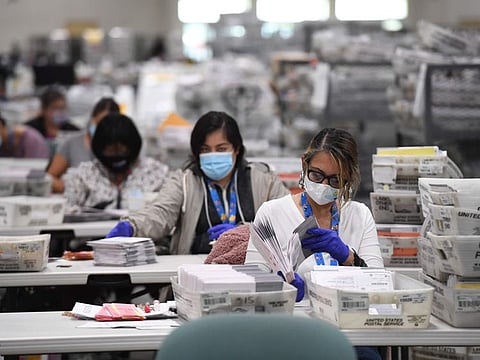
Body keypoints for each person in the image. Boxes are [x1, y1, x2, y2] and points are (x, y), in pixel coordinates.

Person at [245, 128, 383, 360]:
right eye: (317, 175)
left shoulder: (359, 215)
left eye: (335, 180)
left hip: (350, 332)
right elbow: (250, 284)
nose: (324, 185)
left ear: (348, 178)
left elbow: (380, 285)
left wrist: (349, 258)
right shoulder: (272, 212)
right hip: (289, 331)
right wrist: (282, 289)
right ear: (304, 164)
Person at [106, 110, 290, 255]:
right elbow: (160, 213)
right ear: (196, 153)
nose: (213, 155)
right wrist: (132, 226)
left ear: (237, 150)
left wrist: (245, 232)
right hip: (195, 270)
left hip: (254, 267)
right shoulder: (184, 182)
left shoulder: (264, 180)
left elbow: (287, 220)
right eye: (205, 149)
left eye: (221, 149)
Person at [63, 113, 169, 210]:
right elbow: (68, 210)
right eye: (111, 151)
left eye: (122, 151)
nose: (117, 156)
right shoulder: (82, 175)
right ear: (100, 149)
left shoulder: (156, 173)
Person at [47, 97, 120, 193]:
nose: (101, 129)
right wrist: (71, 188)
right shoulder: (72, 143)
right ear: (92, 119)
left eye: (107, 126)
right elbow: (49, 178)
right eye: (99, 123)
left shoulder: (119, 148)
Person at [25, 87, 79, 157]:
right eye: (55, 108)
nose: (60, 112)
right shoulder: (30, 129)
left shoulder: (73, 130)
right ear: (44, 110)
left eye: (62, 108)